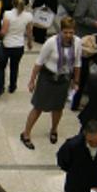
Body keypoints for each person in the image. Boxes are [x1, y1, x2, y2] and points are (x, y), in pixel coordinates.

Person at [21, 17, 81, 150]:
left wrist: (76, 80)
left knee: (58, 107)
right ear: (61, 31)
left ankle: (54, 129)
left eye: (71, 32)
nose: (68, 35)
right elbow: (39, 62)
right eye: (66, 32)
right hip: (47, 78)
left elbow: (77, 63)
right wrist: (32, 80)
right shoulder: (51, 42)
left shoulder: (77, 42)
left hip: (63, 79)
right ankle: (26, 133)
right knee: (38, 107)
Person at [0, 0, 33, 97]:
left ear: (12, 2)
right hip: (19, 46)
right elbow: (29, 32)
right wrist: (29, 42)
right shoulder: (28, 16)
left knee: (1, 67)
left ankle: (0, 87)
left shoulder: (8, 14)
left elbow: (3, 31)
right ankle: (12, 86)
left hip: (7, 45)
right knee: (14, 67)